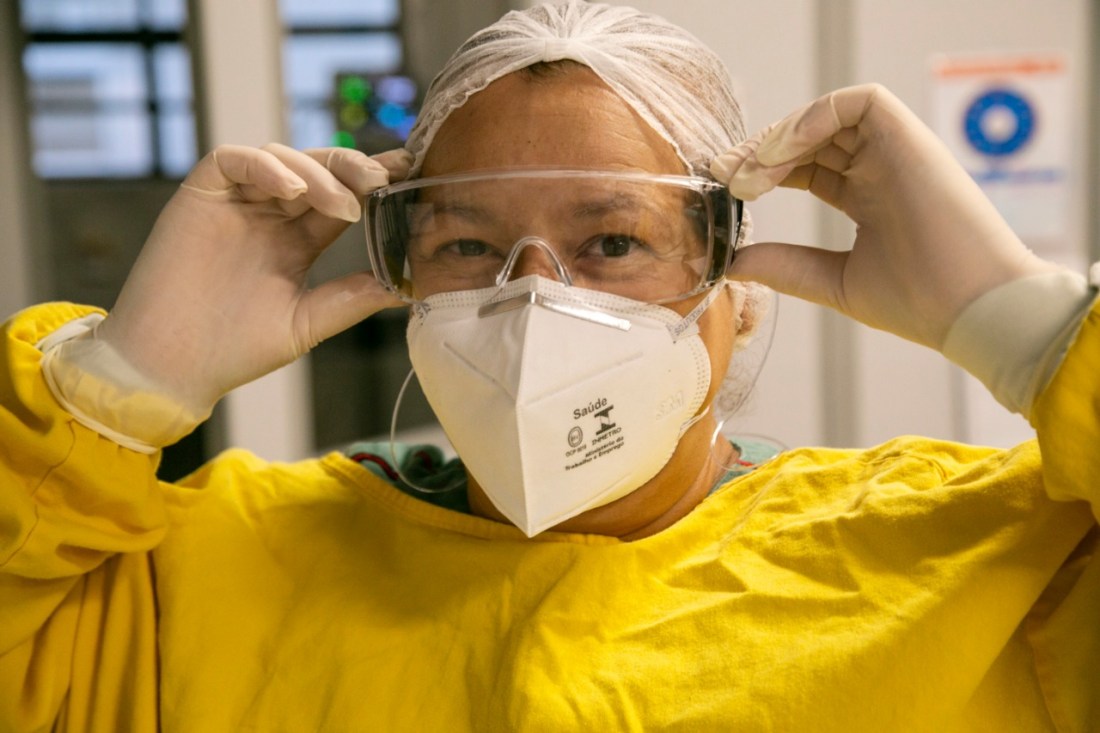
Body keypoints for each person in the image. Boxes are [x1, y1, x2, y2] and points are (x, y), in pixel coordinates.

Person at [2, 2, 1097, 730]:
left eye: (612, 241)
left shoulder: (978, 565)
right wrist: (109, 390)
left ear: (738, 285)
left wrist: (1030, 328)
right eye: (466, 244)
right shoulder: (208, 571)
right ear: (403, 276)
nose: (532, 299)